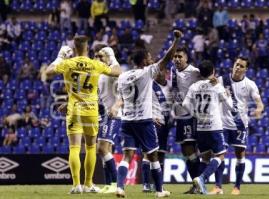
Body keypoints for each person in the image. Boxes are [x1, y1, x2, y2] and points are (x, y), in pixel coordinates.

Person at [45, 36, 121, 194]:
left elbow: (48, 72)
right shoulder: (95, 64)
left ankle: (76, 185)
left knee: (74, 147)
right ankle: (88, 184)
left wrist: (59, 57)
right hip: (91, 111)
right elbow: (117, 72)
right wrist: (112, 58)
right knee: (91, 147)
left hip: (74, 110)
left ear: (74, 48)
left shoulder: (68, 63)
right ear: (87, 47)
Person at [115, 30, 183, 198]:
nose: (152, 59)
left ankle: (120, 187)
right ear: (144, 60)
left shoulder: (122, 76)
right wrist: (176, 40)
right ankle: (160, 191)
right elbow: (167, 58)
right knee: (153, 156)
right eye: (149, 57)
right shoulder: (146, 72)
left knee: (127, 156)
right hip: (144, 121)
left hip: (127, 120)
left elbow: (122, 98)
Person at [209, 56, 264, 195]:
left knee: (240, 154)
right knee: (219, 153)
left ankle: (237, 187)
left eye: (241, 66)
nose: (238, 67)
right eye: (236, 64)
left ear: (246, 69)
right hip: (222, 124)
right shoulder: (222, 80)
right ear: (233, 65)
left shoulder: (250, 84)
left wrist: (259, 108)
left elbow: (259, 102)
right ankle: (218, 187)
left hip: (240, 124)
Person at [183, 60, 233, 195]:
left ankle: (199, 187)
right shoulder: (216, 85)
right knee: (220, 155)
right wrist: (223, 91)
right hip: (214, 127)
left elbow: (185, 104)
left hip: (201, 127)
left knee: (205, 157)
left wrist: (196, 115)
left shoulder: (194, 86)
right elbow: (230, 106)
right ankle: (202, 178)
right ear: (213, 71)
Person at [170, 47, 201, 194]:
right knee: (185, 150)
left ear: (186, 58)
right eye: (175, 56)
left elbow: (208, 80)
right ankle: (196, 183)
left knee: (190, 148)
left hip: (191, 115)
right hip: (180, 115)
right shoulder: (173, 71)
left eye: (180, 56)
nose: (177, 59)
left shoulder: (194, 71)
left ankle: (199, 182)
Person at [94, 44, 122, 193]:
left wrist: (116, 107)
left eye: (101, 56)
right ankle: (108, 184)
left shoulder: (114, 69)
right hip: (103, 115)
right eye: (97, 56)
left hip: (113, 115)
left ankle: (117, 184)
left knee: (102, 148)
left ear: (109, 57)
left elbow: (120, 73)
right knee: (106, 150)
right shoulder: (102, 72)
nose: (98, 58)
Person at [141, 68, 172, 192]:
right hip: (152, 122)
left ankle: (158, 184)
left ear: (167, 73)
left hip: (165, 125)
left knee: (161, 154)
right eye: (158, 71)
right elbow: (142, 102)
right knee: (148, 153)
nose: (161, 73)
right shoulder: (150, 85)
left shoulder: (171, 86)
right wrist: (151, 117)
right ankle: (146, 184)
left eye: (163, 71)